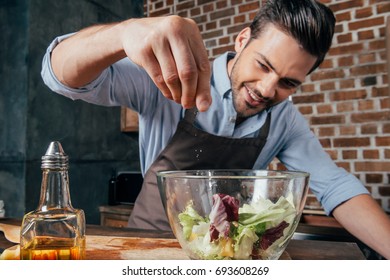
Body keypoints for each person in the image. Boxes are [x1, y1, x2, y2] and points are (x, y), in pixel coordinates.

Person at [41, 0, 390, 259]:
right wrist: (123, 32)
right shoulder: (173, 75)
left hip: (228, 257)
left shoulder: (284, 119)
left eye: (287, 82)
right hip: (149, 250)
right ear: (242, 40)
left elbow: (336, 186)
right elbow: (60, 77)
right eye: (263, 65)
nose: (268, 90)